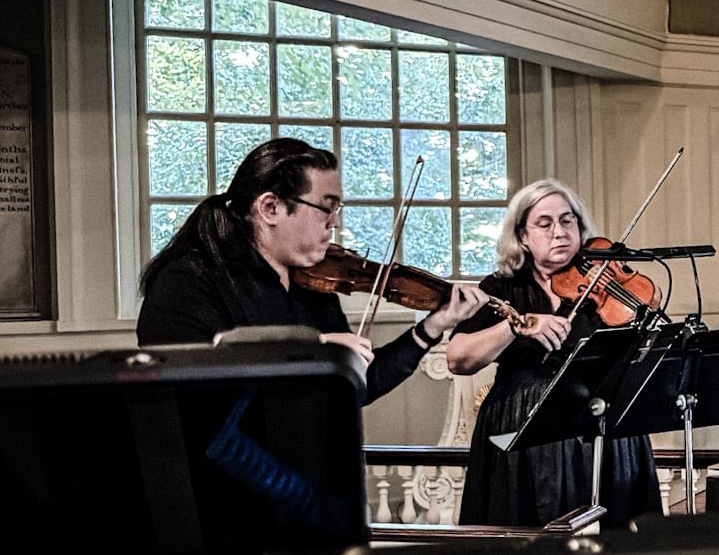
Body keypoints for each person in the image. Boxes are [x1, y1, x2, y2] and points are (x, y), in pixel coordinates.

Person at [137, 136, 486, 402]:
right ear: (271, 208)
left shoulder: (313, 283)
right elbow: (193, 389)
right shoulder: (188, 282)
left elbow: (360, 385)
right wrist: (312, 350)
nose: (335, 222)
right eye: (325, 207)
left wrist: (433, 326)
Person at [447, 179, 659, 528]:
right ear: (523, 237)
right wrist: (517, 324)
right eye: (544, 224)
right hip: (524, 430)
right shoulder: (502, 288)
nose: (559, 232)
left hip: (601, 425)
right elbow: (459, 357)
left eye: (567, 220)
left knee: (616, 543)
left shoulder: (604, 283)